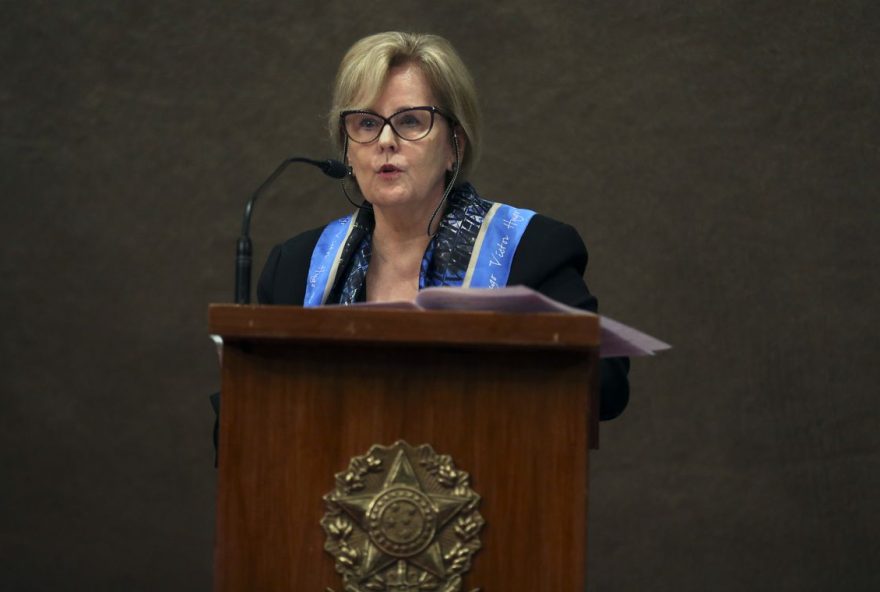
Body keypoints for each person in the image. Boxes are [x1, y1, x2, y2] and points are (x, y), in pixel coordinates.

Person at [255, 31, 630, 420]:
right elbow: (239, 416)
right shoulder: (297, 268)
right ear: (347, 149)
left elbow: (607, 384)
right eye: (366, 123)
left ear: (455, 146)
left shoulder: (528, 250)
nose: (385, 140)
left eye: (410, 121)